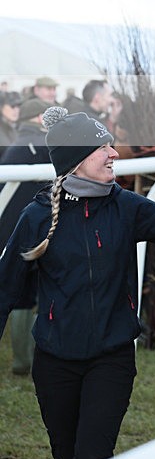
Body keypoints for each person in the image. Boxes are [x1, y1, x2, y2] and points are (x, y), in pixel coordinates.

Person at [0, 106, 155, 459]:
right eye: (102, 147)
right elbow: (4, 290)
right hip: (54, 364)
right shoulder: (37, 216)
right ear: (75, 160)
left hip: (111, 360)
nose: (114, 153)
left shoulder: (126, 207)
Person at [0, 98, 51, 374]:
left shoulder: (19, 144)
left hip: (12, 229)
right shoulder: (37, 146)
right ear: (40, 117)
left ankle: (24, 360)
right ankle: (26, 360)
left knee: (21, 294)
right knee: (30, 293)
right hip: (30, 228)